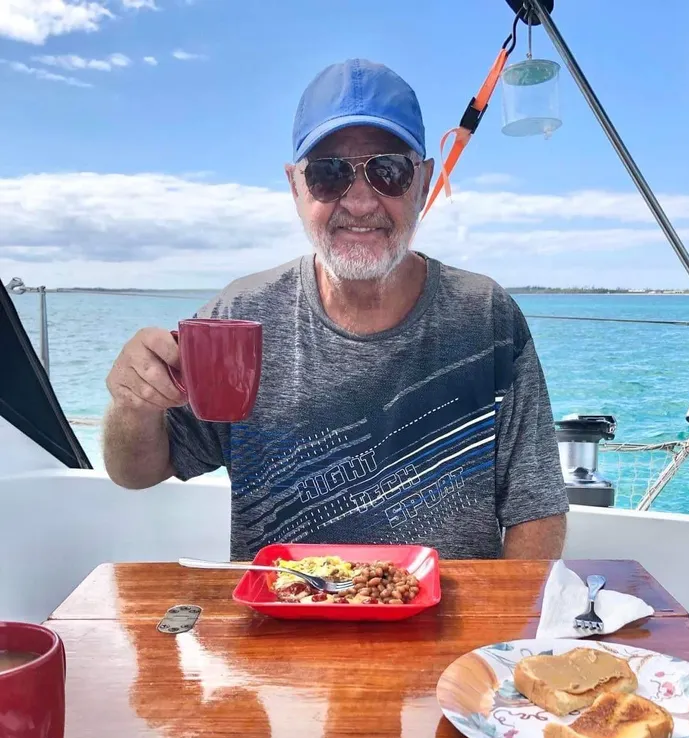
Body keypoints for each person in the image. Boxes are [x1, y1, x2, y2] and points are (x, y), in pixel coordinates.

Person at [103, 58, 568, 560]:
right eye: (329, 174)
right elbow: (136, 471)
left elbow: (536, 507)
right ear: (296, 186)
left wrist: (504, 613)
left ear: (424, 182)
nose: (361, 202)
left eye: (389, 171)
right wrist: (134, 402)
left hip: (449, 612)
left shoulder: (487, 318)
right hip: (283, 608)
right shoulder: (238, 317)